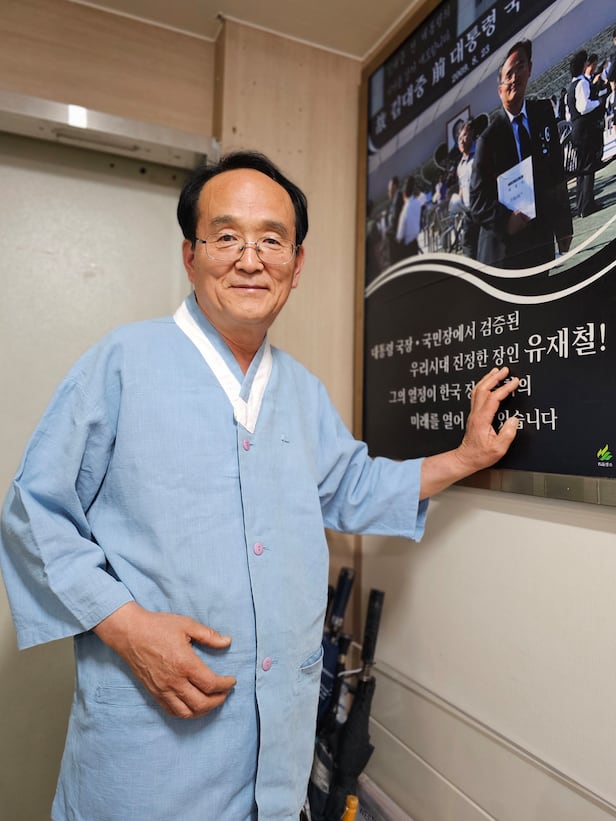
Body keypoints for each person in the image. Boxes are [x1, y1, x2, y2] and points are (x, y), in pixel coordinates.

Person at [0, 150, 520, 821]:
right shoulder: (123, 362)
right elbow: (34, 509)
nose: (251, 260)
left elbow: (353, 486)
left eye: (272, 241)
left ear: (296, 266)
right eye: (227, 237)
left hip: (275, 761)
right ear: (191, 255)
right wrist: (127, 629)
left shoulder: (301, 391)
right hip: (150, 761)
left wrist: (466, 456)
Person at [470, 39, 572, 269]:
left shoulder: (543, 113)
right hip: (505, 253)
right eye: (509, 74)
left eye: (521, 67)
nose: (515, 77)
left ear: (530, 69)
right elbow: (477, 202)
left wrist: (564, 226)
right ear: (500, 90)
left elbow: (556, 172)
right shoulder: (489, 139)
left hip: (540, 241)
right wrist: (506, 220)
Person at [567, 49, 603, 218]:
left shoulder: (571, 87)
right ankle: (588, 205)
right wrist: (598, 102)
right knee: (588, 167)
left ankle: (581, 204)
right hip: (584, 130)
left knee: (581, 170)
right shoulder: (582, 83)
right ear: (583, 66)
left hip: (576, 130)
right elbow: (583, 107)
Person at [449, 121, 479, 258]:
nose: (461, 140)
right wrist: (457, 202)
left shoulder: (479, 154)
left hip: (481, 210)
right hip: (468, 214)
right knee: (468, 250)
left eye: (464, 136)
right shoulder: (460, 166)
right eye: (459, 138)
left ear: (472, 135)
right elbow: (462, 187)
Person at [395, 175, 423, 257]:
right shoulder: (417, 203)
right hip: (415, 240)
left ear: (404, 194)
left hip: (407, 245)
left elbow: (399, 235)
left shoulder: (405, 209)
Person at [383, 174, 404, 266]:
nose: (389, 191)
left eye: (389, 188)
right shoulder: (396, 198)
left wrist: (387, 231)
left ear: (394, 186)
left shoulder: (398, 198)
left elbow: (395, 220)